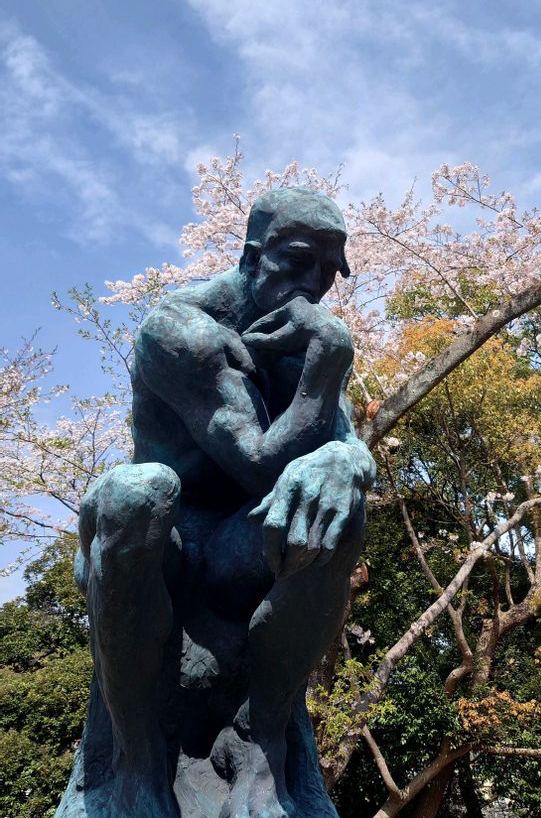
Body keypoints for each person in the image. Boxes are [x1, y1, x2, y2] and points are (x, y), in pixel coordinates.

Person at [60, 187, 376, 818]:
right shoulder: (180, 330)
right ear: (253, 255)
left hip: (243, 548)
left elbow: (350, 449)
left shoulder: (307, 333)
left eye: (329, 270)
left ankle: (266, 745)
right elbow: (257, 461)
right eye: (299, 261)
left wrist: (343, 462)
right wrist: (327, 366)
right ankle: (137, 764)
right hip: (164, 550)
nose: (314, 283)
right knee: (136, 491)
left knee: (339, 504)